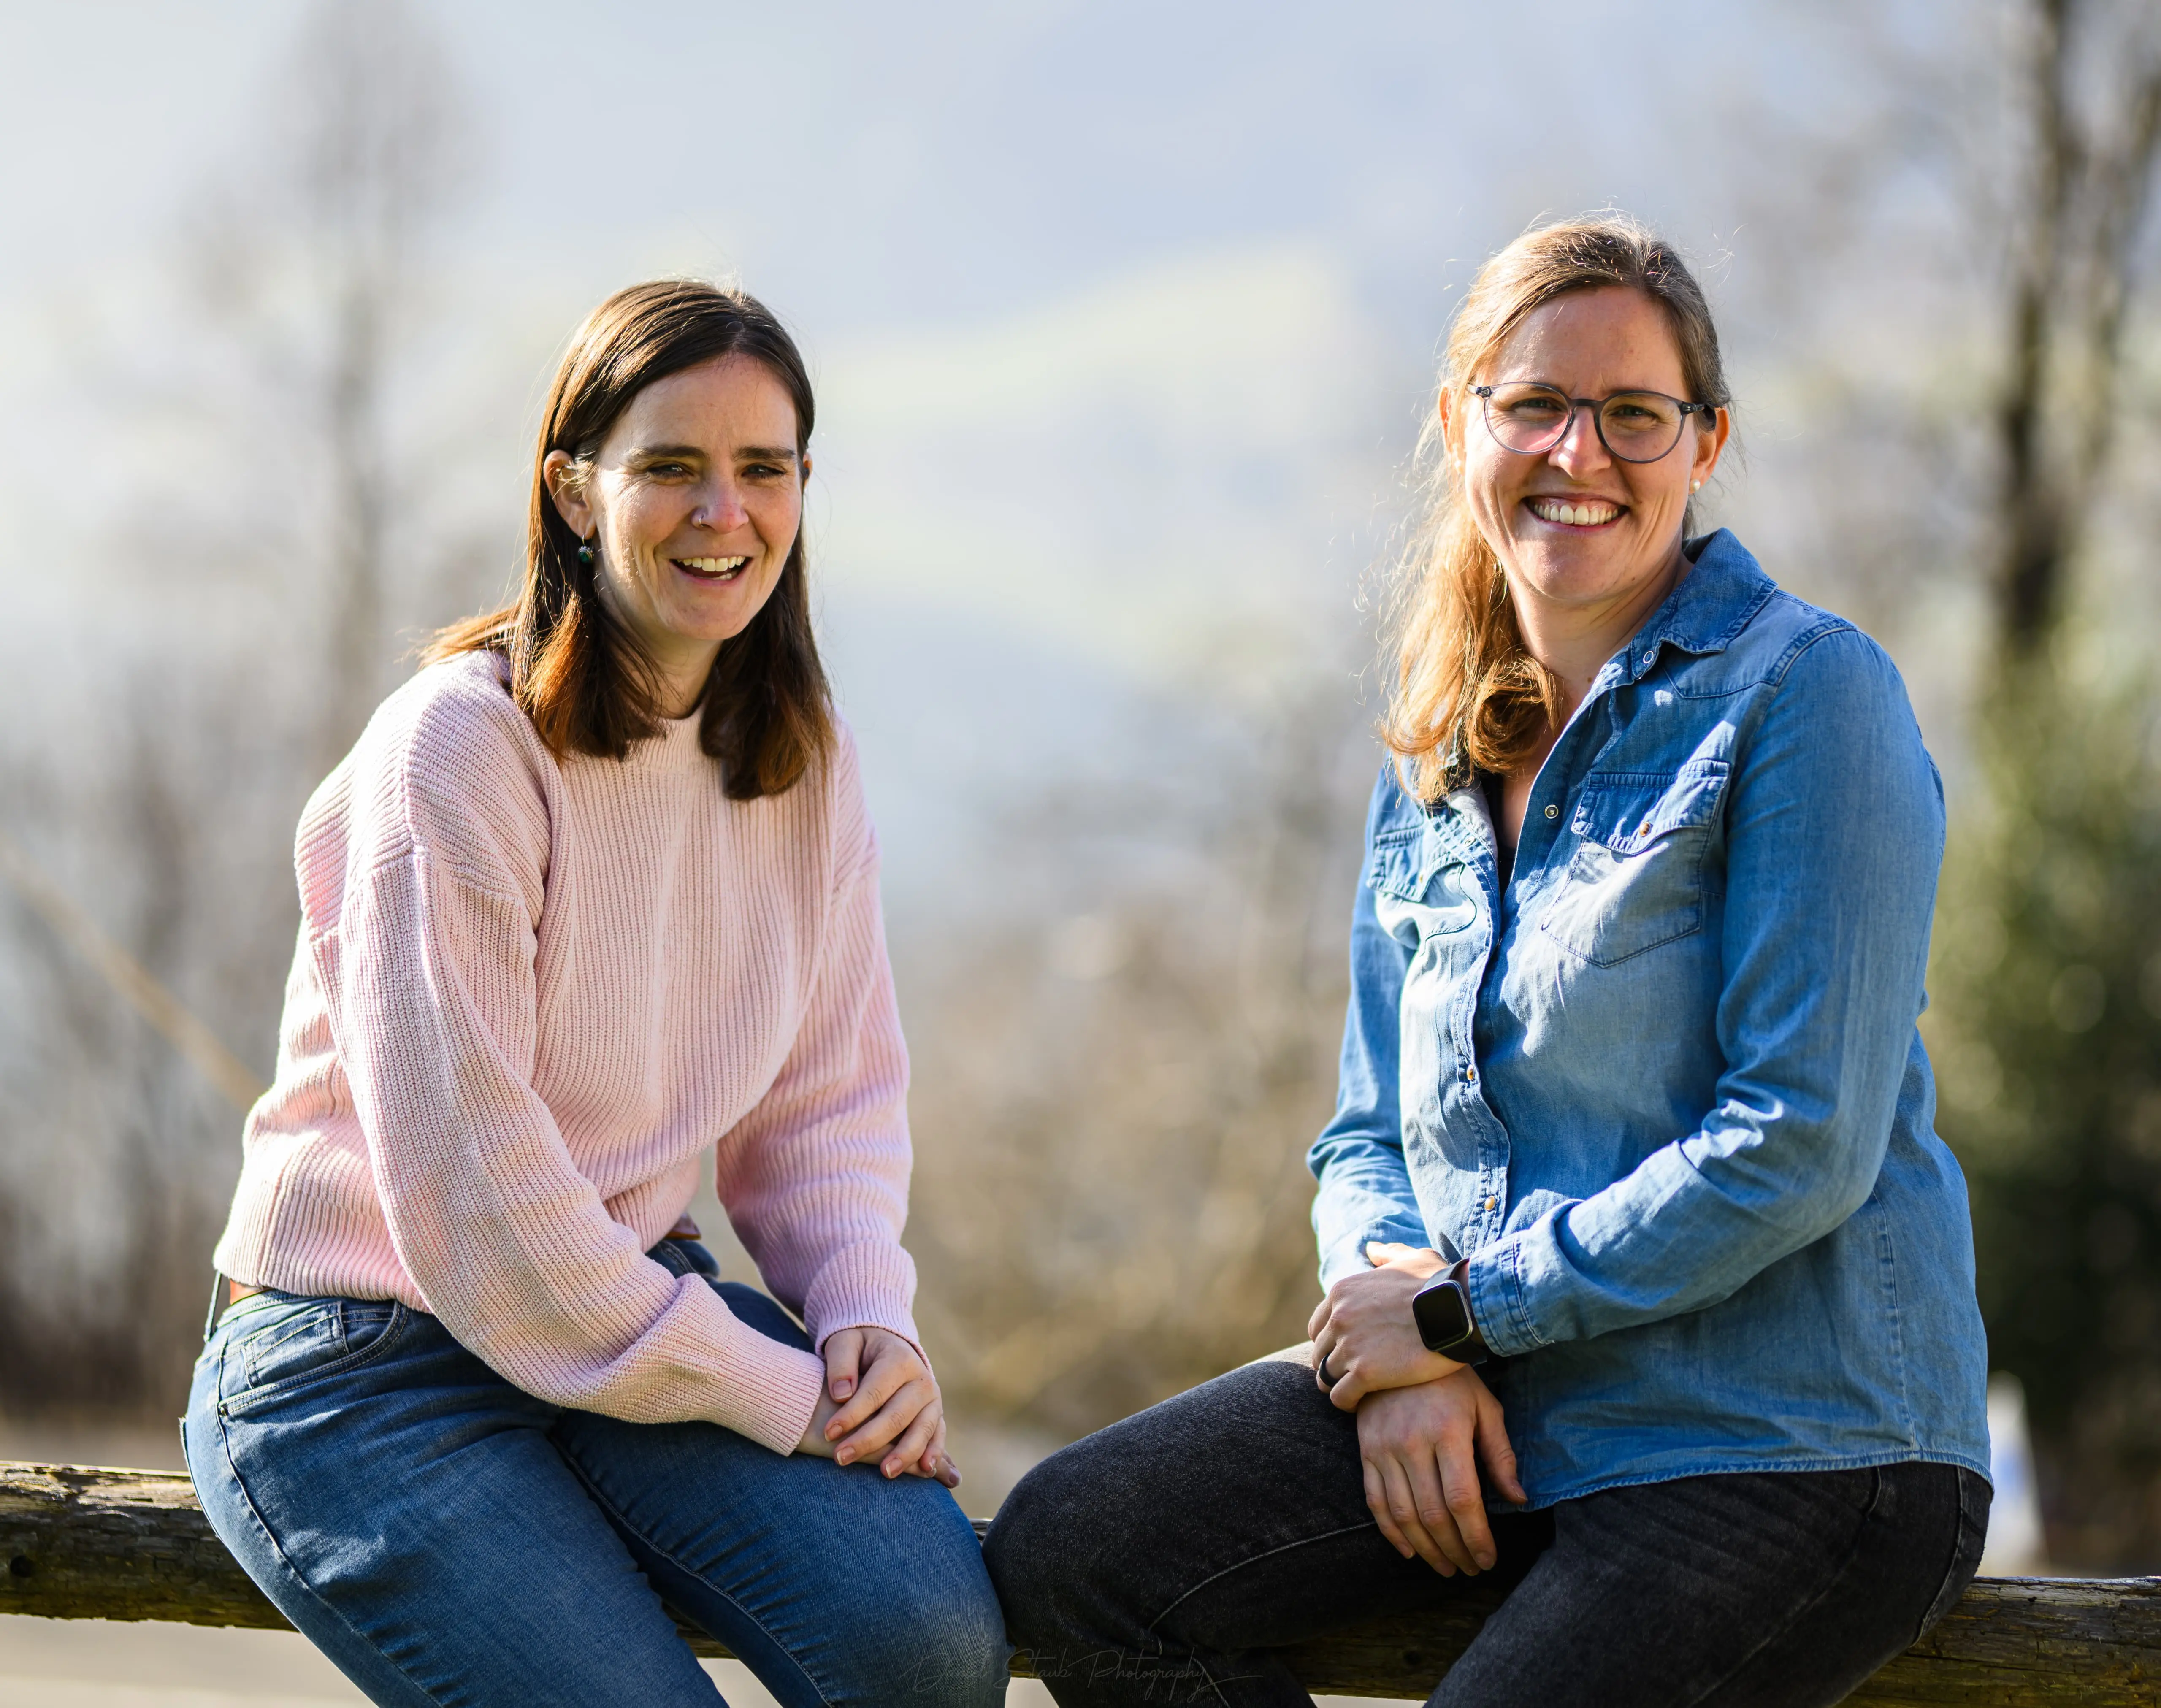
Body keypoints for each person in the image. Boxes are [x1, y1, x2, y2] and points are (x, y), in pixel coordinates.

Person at [983, 216, 1993, 1708]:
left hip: (1795, 1441)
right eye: (1535, 404)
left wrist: (1463, 1315)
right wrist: (1403, 1344)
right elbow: (1366, 1137)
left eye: (1634, 413)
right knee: (1079, 1553)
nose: (1580, 451)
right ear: (1460, 424)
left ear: (1706, 443)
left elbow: (1799, 1138)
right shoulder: (1439, 754)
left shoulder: (1807, 694)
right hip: (1514, 1419)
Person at [185, 280, 1010, 1708]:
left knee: (925, 1646)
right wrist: (775, 1388)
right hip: (362, 1361)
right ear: (575, 490)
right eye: (672, 466)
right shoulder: (460, 751)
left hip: (624, 1308)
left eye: (763, 469)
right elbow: (484, 1216)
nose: (724, 512)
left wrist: (864, 1322)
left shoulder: (804, 761)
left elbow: (827, 1101)